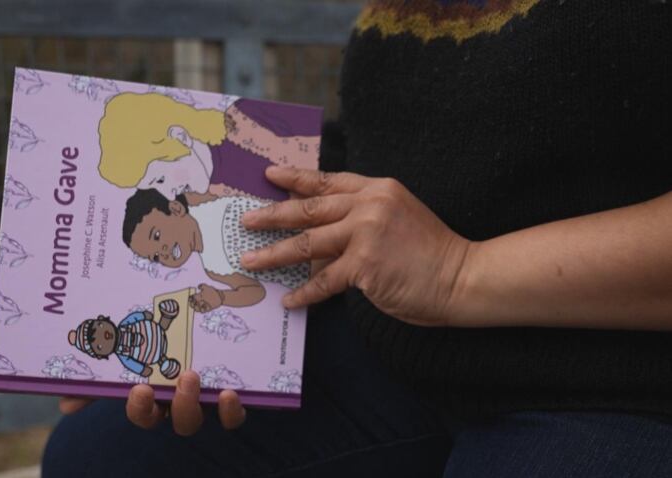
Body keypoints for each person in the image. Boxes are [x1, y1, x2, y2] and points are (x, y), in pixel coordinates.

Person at [44, 1, 672, 476]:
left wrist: (459, 271)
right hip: (394, 348)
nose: (162, 249)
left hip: (612, 382)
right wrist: (214, 331)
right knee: (95, 456)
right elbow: (417, 137)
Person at [98, 92, 320, 201]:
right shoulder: (212, 200)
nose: (168, 195)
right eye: (154, 189)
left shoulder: (244, 120)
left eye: (160, 180)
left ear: (178, 137)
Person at [121, 188, 309, 311]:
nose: (161, 252)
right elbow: (255, 291)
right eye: (154, 257)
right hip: (307, 274)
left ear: (176, 209)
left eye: (156, 236)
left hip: (306, 221)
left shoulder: (206, 203)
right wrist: (220, 297)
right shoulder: (213, 267)